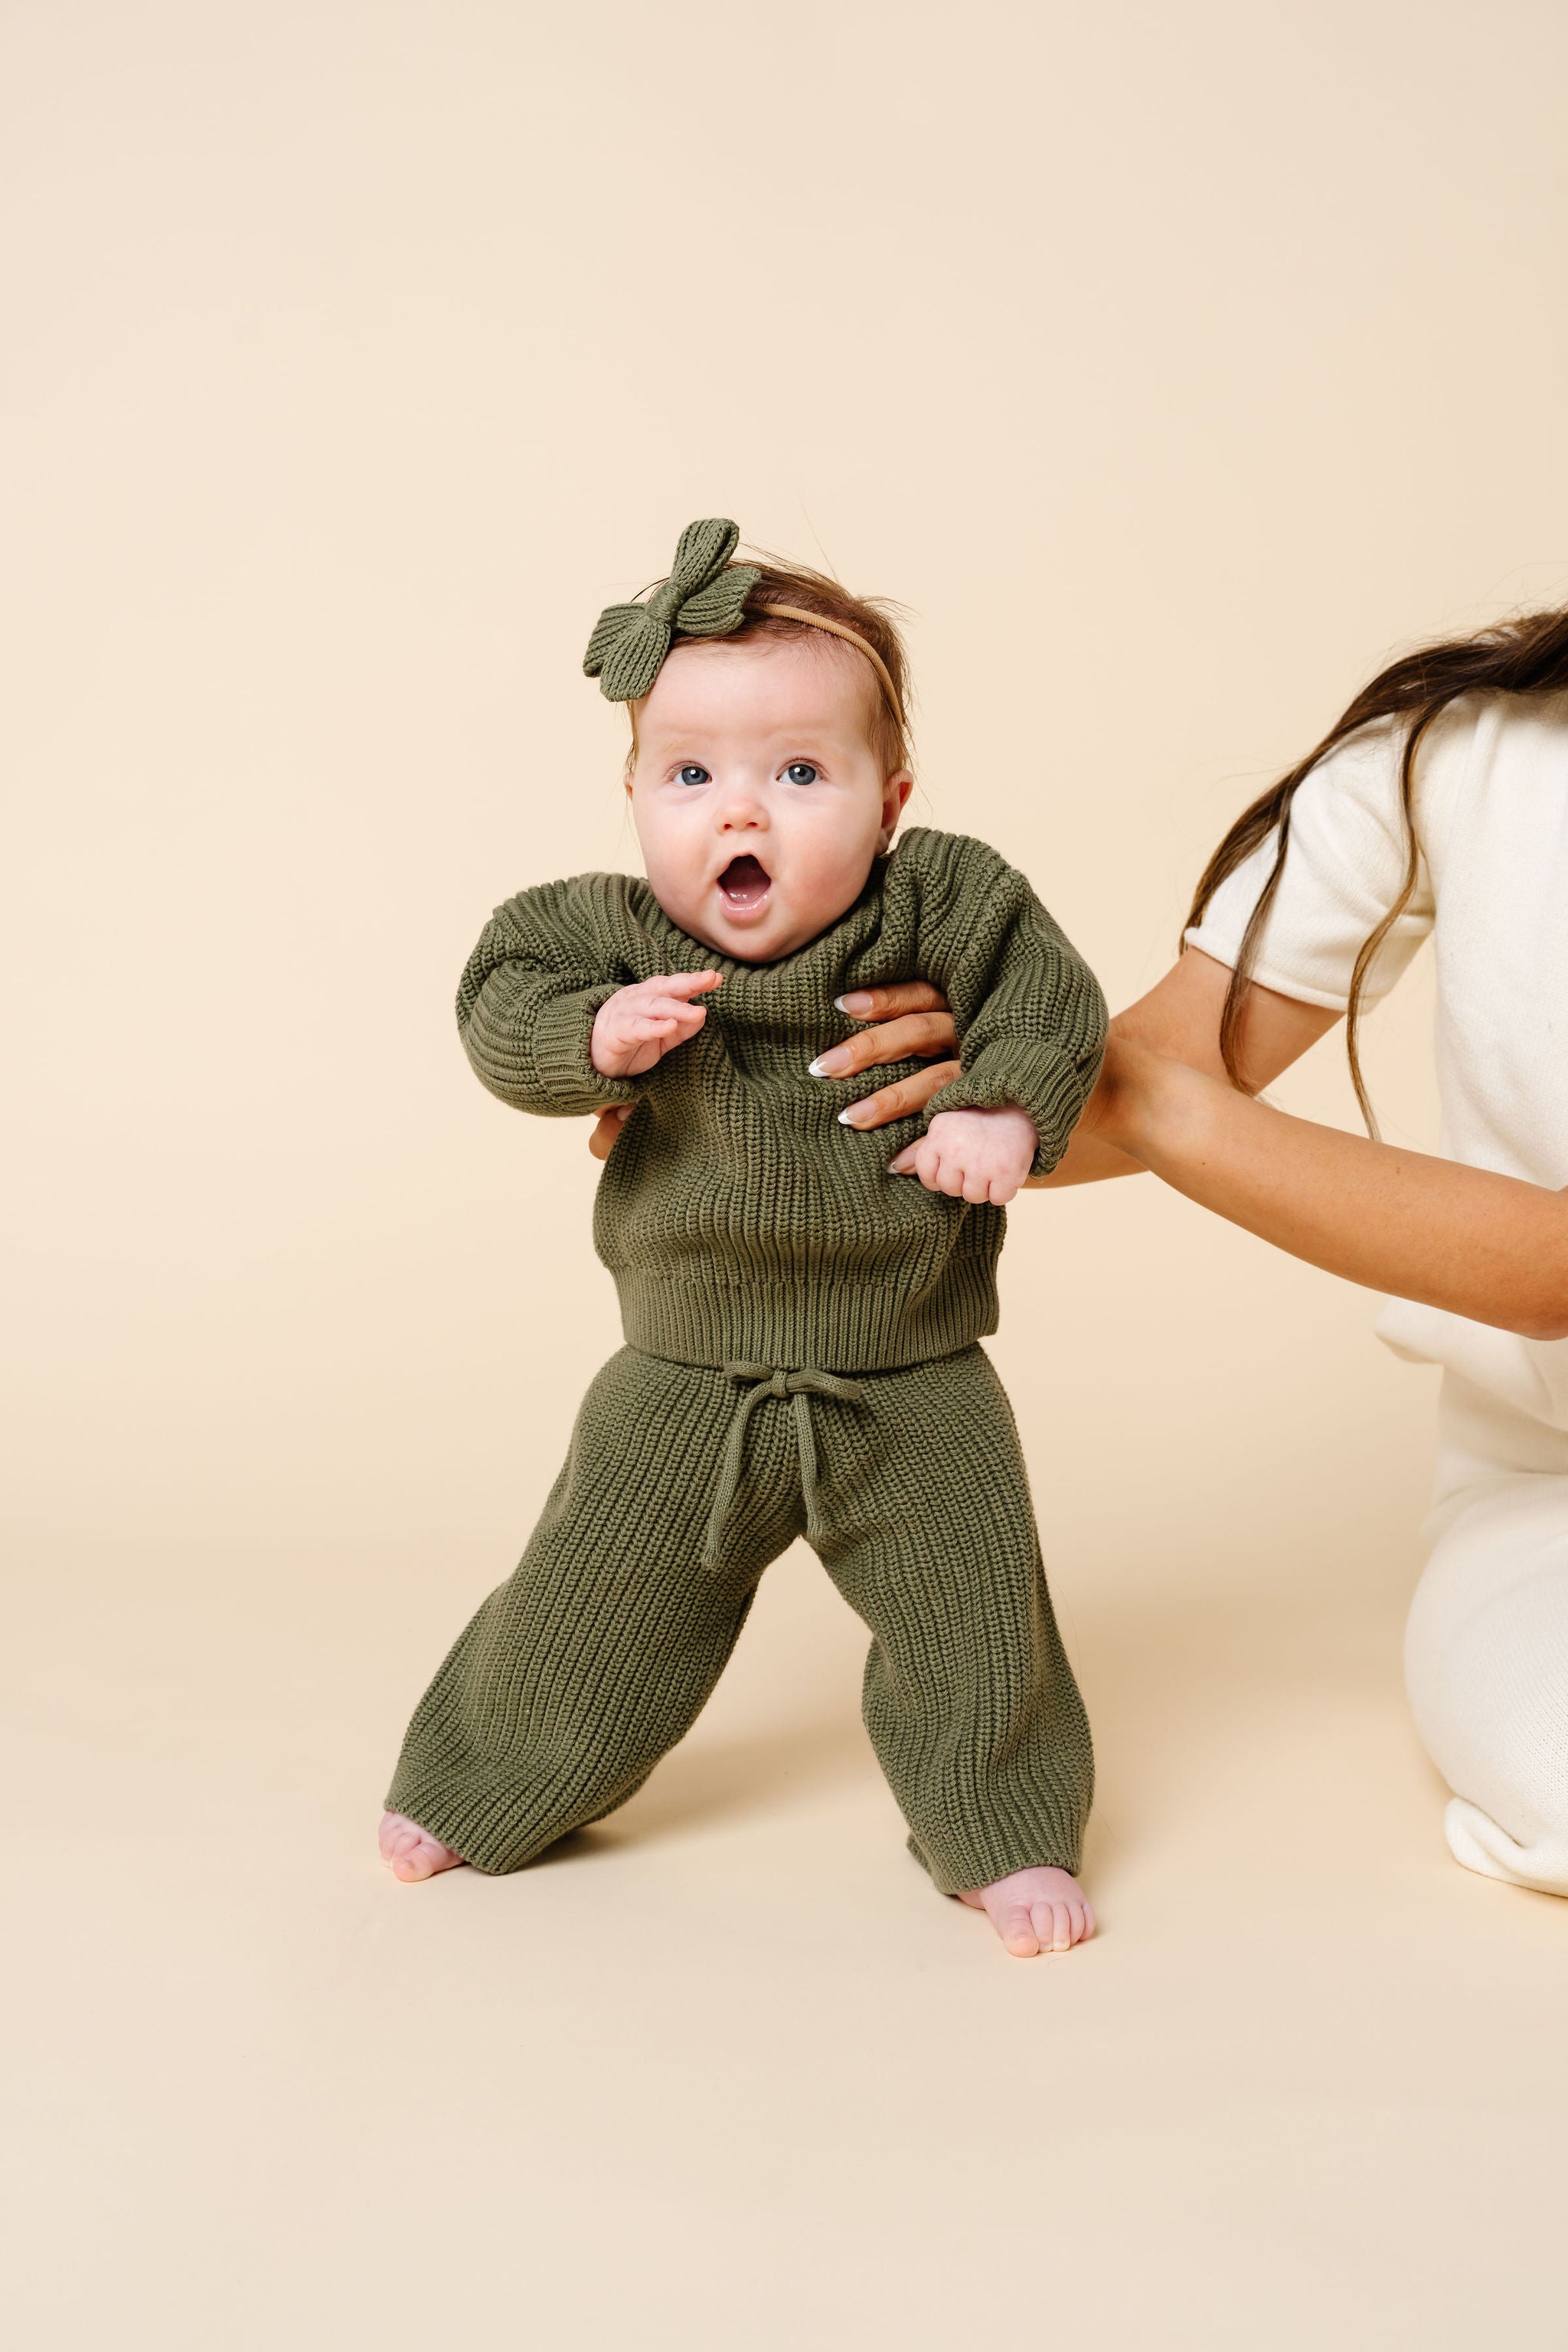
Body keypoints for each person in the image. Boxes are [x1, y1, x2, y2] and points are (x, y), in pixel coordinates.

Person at [739, 608, 1568, 1897]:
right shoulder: (1460, 750)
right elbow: (1162, 1057)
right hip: (1549, 1498)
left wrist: (1123, 1098)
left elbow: (1551, 1269)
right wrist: (761, 1080)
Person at [381, 521, 1109, 1956]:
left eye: (800, 773)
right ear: (636, 793)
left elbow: (1051, 993)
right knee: (590, 1604)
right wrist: (589, 1036)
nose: (743, 817)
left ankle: (1006, 1828)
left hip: (912, 1368)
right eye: (692, 776)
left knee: (976, 1621)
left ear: (890, 798)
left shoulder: (942, 901)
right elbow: (494, 1003)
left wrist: (1005, 1111)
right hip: (683, 1370)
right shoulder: (598, 933)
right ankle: (482, 1784)